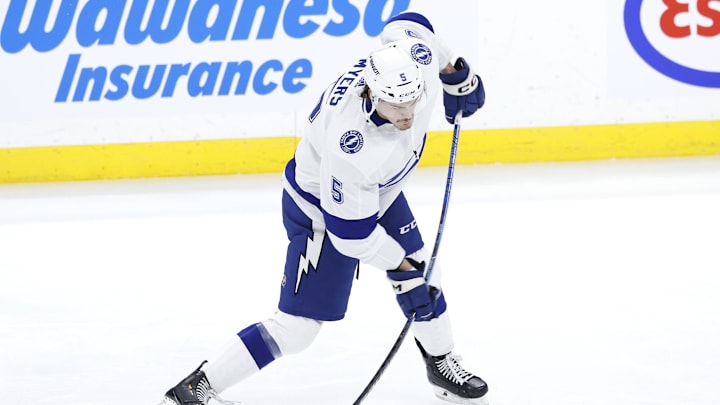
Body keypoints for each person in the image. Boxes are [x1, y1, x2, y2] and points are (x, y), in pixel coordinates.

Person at [161, 11, 487, 405]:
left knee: (424, 272)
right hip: (322, 210)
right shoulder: (353, 148)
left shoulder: (412, 62)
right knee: (298, 329)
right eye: (395, 106)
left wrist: (455, 74)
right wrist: (401, 269)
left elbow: (410, 23)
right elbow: (352, 234)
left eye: (413, 102)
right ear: (373, 92)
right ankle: (194, 390)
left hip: (376, 193)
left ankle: (441, 364)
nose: (407, 115)